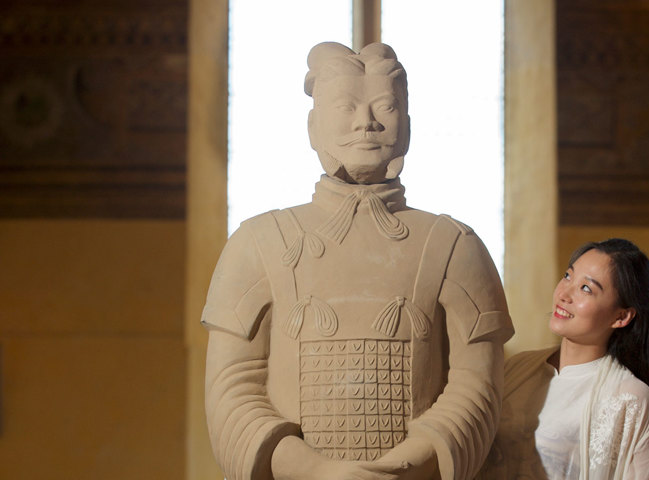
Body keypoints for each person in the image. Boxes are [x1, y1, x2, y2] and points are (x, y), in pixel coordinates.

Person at [201, 41, 513, 480]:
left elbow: (477, 388)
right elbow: (232, 390)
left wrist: (404, 463)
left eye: (385, 106)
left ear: (407, 125)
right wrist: (315, 470)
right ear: (313, 128)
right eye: (345, 107)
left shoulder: (454, 246)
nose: (365, 123)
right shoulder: (258, 242)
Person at [480, 238, 649, 479]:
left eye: (586, 288)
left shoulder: (629, 397)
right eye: (568, 276)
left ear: (621, 317)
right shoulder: (516, 368)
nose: (564, 293)